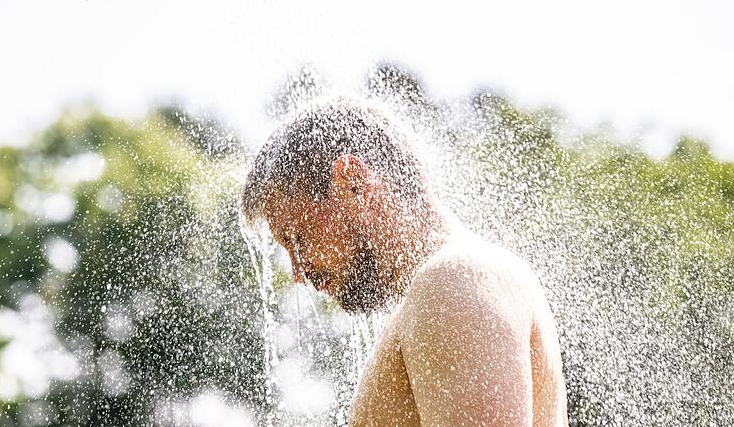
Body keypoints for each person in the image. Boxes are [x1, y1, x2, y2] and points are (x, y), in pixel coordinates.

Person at [241, 98, 568, 426]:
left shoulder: (454, 280)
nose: (299, 272)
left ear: (353, 183)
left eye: (298, 238)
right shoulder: (458, 283)